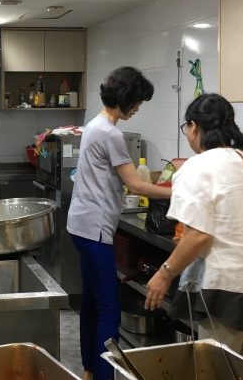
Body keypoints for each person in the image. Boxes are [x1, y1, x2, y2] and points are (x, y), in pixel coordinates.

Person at [144, 93, 243, 367]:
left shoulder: (196, 167)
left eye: (186, 127)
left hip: (232, 291)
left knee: (216, 372)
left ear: (194, 127)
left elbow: (198, 235)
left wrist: (164, 274)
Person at [67, 67, 171, 380]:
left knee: (91, 303)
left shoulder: (94, 125)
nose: (138, 108)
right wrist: (179, 190)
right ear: (126, 98)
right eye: (137, 101)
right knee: (110, 310)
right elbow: (135, 185)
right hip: (95, 230)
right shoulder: (111, 134)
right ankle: (101, 375)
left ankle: (89, 370)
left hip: (81, 226)